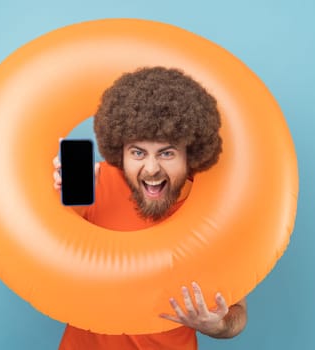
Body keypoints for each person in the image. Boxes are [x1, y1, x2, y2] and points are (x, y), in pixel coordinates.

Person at [53, 67, 247, 349]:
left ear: (189, 155)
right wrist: (59, 202)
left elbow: (237, 316)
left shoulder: (213, 211)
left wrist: (216, 325)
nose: (152, 169)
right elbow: (52, 263)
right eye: (138, 152)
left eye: (167, 153)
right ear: (121, 152)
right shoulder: (94, 185)